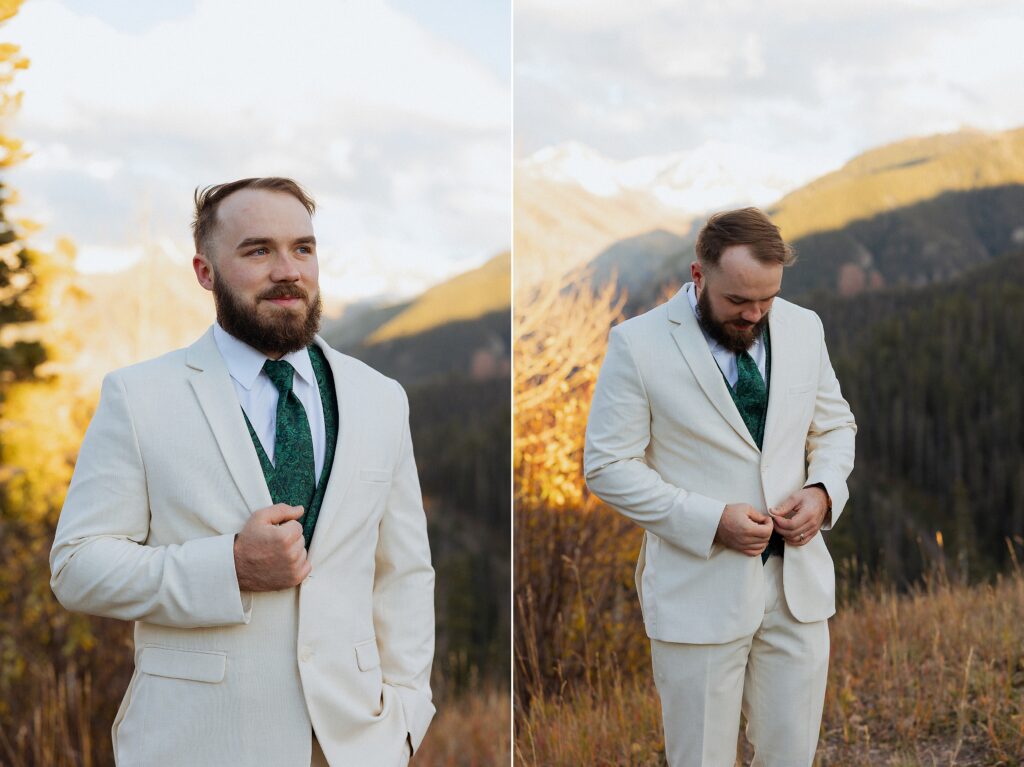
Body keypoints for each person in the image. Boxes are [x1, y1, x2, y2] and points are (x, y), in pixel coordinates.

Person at [50, 177, 434, 767]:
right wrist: (227, 565)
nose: (288, 270)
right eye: (258, 250)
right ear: (206, 272)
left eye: (302, 248)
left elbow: (403, 572)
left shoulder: (380, 398)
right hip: (197, 743)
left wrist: (408, 713)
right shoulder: (139, 396)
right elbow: (78, 567)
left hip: (359, 745)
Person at [584, 207, 856, 767]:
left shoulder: (804, 327)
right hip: (697, 595)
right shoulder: (637, 344)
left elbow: (834, 426)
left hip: (797, 591)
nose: (754, 314)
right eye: (738, 301)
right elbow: (607, 466)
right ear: (698, 275)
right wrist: (710, 521)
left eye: (767, 299)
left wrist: (823, 491)